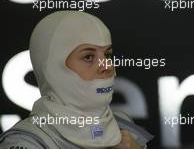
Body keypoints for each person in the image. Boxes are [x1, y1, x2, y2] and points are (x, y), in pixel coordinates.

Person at [0, 11, 153, 149]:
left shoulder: (122, 124)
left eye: (107, 55)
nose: (106, 66)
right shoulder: (24, 142)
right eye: (88, 57)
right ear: (53, 67)